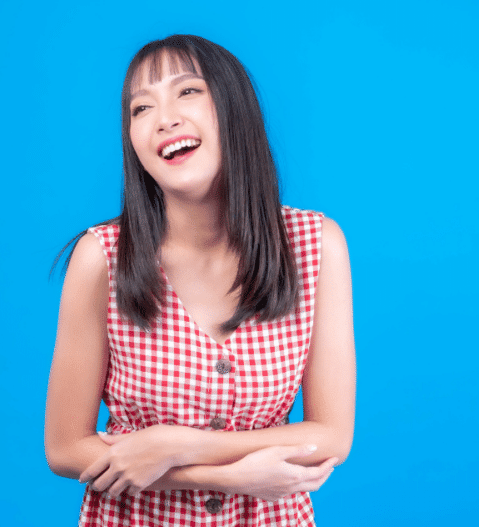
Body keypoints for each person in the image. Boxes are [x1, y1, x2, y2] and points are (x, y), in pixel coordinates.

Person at [44, 35, 356, 526]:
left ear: (234, 108)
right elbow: (65, 448)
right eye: (141, 107)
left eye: (187, 91)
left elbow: (331, 436)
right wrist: (229, 477)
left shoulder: (316, 246)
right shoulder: (101, 257)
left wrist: (175, 445)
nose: (164, 117)